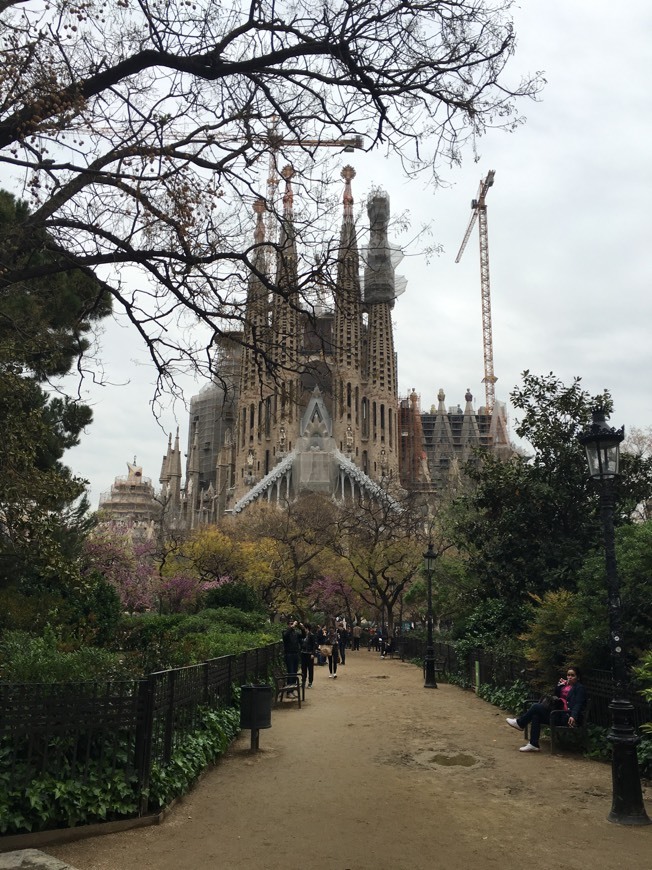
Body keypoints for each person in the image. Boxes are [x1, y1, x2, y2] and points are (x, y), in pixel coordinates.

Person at [506, 666, 587, 752]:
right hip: (557, 713)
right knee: (536, 715)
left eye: (572, 675)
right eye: (568, 675)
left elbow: (578, 703)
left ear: (578, 677)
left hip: (566, 717)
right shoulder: (565, 686)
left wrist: (573, 716)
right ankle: (533, 744)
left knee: (536, 707)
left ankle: (520, 723)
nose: (569, 677)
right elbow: (556, 696)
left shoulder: (579, 688)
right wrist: (559, 686)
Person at [282, 618, 302, 684]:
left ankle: (293, 686)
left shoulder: (296, 633)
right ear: (288, 625)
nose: (292, 625)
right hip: (289, 654)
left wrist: (302, 627)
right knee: (290, 671)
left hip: (296, 654)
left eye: (293, 623)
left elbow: (303, 636)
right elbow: (285, 636)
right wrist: (292, 627)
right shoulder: (285, 631)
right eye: (290, 624)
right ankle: (289, 688)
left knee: (295, 671)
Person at [300, 622, 317, 688]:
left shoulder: (311, 635)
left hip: (309, 654)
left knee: (310, 668)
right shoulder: (303, 635)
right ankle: (303, 681)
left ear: (307, 628)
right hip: (303, 653)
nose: (303, 629)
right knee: (303, 668)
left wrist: (313, 653)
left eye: (304, 628)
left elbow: (314, 645)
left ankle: (310, 682)